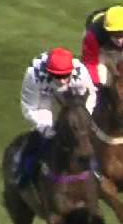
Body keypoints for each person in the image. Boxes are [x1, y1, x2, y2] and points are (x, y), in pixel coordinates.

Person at [16, 47, 97, 188]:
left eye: (66, 75)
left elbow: (91, 97)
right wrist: (45, 128)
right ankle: (25, 174)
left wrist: (84, 118)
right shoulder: (34, 75)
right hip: (43, 95)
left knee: (84, 131)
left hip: (73, 94)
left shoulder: (80, 73)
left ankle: (96, 170)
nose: (63, 80)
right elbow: (30, 107)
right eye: (58, 76)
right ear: (49, 72)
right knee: (45, 135)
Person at [80, 4, 123, 87]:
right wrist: (97, 84)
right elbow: (91, 62)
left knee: (122, 76)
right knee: (103, 80)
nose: (119, 40)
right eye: (115, 35)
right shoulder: (93, 35)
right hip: (100, 48)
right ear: (107, 31)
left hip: (120, 49)